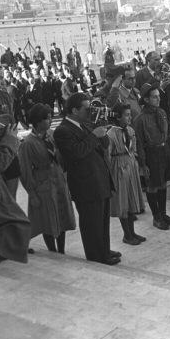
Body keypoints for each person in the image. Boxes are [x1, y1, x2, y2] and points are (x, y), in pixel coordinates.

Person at [53, 93, 120, 265]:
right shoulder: (63, 130)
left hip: (99, 181)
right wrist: (93, 135)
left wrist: (101, 131)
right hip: (86, 185)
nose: (90, 111)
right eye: (86, 108)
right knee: (91, 224)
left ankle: (104, 250)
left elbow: (103, 145)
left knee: (102, 222)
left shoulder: (85, 125)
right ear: (74, 110)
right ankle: (96, 256)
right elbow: (75, 153)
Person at [18, 103, 75, 254]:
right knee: (47, 220)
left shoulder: (50, 134)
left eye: (50, 118)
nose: (50, 121)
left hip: (57, 179)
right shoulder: (28, 144)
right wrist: (32, 193)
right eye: (47, 118)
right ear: (37, 121)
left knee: (61, 217)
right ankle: (52, 251)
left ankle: (61, 250)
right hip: (43, 184)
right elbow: (25, 172)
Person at [133, 83, 170, 231]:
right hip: (151, 154)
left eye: (158, 96)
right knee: (153, 186)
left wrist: (169, 150)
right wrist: (143, 164)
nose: (158, 99)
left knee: (163, 182)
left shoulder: (162, 113)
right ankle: (156, 217)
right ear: (146, 99)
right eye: (154, 97)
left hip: (164, 151)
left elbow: (169, 132)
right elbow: (139, 143)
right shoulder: (140, 119)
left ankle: (163, 213)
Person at [106, 104, 146, 245]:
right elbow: (108, 156)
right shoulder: (110, 134)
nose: (130, 117)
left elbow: (133, 148)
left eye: (130, 114)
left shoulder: (130, 130)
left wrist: (136, 162)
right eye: (127, 115)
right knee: (123, 201)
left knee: (131, 198)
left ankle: (133, 232)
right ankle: (126, 235)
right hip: (119, 167)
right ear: (118, 117)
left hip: (130, 165)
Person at [0, 121, 31, 263]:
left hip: (10, 172)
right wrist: (10, 141)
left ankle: (9, 247)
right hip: (5, 169)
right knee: (10, 217)